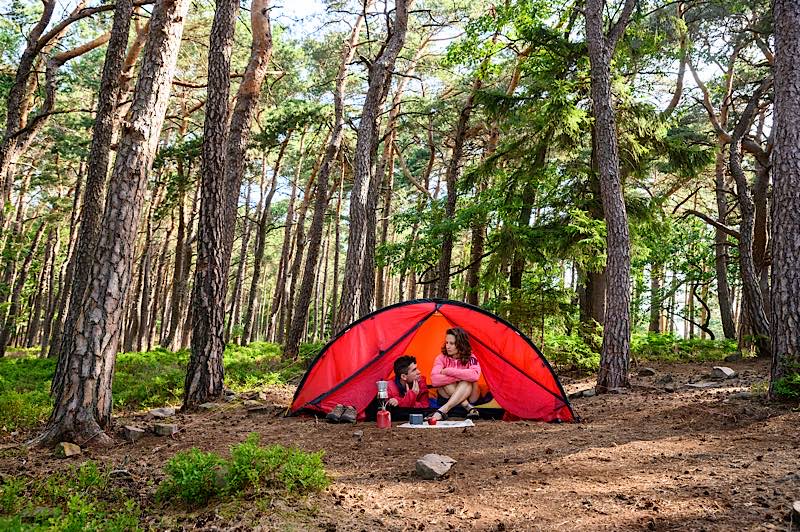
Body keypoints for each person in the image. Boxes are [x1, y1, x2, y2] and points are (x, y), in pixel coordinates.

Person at [428, 327, 481, 421]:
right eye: (447, 342)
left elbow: (475, 375)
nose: (447, 346)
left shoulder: (471, 358)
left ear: (461, 344)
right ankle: (468, 407)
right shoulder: (441, 358)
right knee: (450, 382)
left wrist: (448, 371)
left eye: (451, 343)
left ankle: (443, 410)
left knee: (466, 382)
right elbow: (434, 380)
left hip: (470, 395)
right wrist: (461, 376)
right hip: (447, 394)